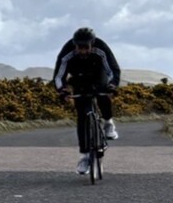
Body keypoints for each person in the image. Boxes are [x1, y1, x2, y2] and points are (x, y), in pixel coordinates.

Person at [52, 27, 121, 174]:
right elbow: (58, 76)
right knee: (82, 117)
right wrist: (62, 90)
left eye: (86, 48)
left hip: (99, 75)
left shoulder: (101, 48)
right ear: (74, 44)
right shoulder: (67, 51)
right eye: (79, 48)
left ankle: (108, 122)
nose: (82, 51)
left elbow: (113, 70)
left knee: (103, 94)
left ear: (92, 44)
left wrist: (112, 85)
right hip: (79, 79)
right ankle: (84, 156)